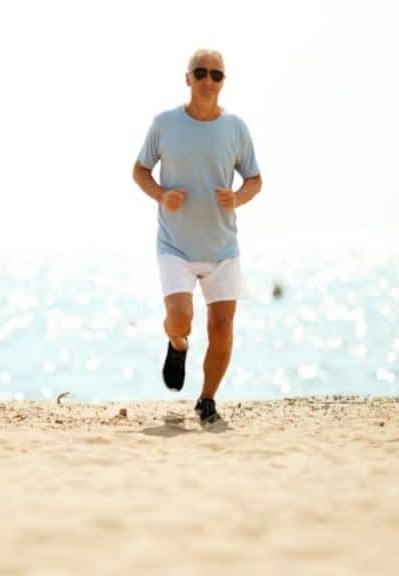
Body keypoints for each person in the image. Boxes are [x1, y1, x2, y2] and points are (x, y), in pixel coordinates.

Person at [131, 48, 262, 427]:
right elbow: (139, 169)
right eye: (200, 73)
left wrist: (238, 197)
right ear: (187, 78)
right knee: (180, 318)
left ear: (223, 82)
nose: (208, 81)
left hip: (223, 248)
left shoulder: (236, 128)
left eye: (216, 75)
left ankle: (207, 400)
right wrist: (160, 195)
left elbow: (255, 179)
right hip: (175, 246)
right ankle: (177, 344)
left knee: (221, 327)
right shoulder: (165, 123)